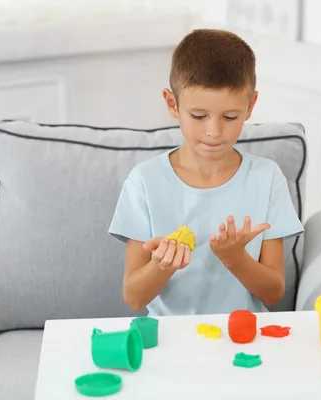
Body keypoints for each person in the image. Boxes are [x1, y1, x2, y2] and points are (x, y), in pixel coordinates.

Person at [109, 29, 304, 316]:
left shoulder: (266, 178)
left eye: (230, 117)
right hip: (172, 338)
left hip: (243, 337)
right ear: (172, 103)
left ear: (250, 106)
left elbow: (274, 293)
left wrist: (236, 258)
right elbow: (134, 297)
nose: (214, 132)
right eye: (198, 116)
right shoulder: (145, 181)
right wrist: (161, 266)